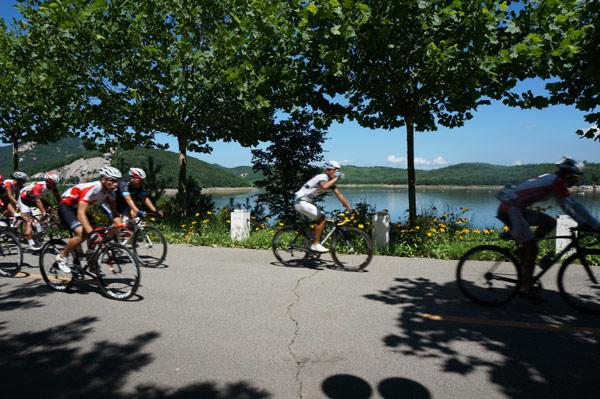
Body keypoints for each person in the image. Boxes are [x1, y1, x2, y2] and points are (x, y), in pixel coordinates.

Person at [496, 156, 600, 303]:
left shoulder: (553, 180)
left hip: (515, 208)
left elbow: (569, 206)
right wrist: (594, 225)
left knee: (550, 222)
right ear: (568, 174)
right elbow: (572, 206)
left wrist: (583, 222)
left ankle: (524, 251)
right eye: (576, 177)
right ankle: (526, 288)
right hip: (511, 209)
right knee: (533, 249)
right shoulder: (556, 182)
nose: (576, 181)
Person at [55, 166, 123, 273]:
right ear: (103, 179)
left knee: (96, 232)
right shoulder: (93, 188)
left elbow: (115, 213)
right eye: (113, 180)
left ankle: (92, 263)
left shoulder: (112, 192)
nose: (116, 184)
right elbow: (81, 213)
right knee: (83, 234)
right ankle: (62, 256)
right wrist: (91, 233)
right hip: (66, 206)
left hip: (78, 207)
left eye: (117, 181)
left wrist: (120, 225)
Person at [294, 160, 354, 253]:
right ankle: (315, 244)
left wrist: (350, 208)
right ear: (328, 170)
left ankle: (310, 243)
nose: (336, 172)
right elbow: (324, 187)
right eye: (335, 170)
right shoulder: (322, 177)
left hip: (305, 202)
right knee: (322, 218)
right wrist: (337, 178)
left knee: (317, 223)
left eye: (337, 170)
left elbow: (339, 195)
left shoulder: (329, 181)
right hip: (301, 202)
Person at [18, 172, 61, 250]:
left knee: (51, 208)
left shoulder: (52, 186)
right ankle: (31, 243)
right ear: (47, 181)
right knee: (28, 220)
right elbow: (38, 201)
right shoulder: (38, 186)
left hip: (34, 198)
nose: (53, 186)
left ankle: (41, 226)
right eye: (52, 184)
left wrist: (62, 205)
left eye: (55, 184)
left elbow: (58, 197)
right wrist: (44, 212)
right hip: (24, 199)